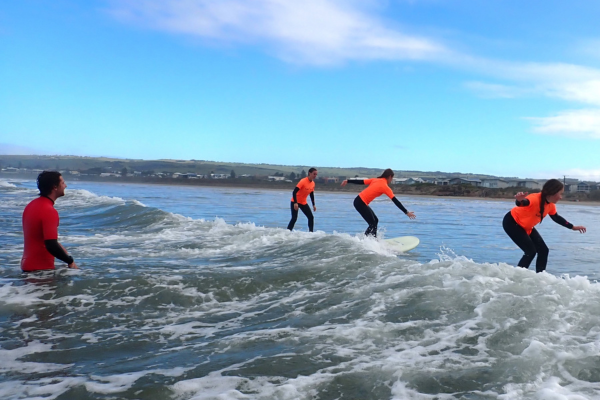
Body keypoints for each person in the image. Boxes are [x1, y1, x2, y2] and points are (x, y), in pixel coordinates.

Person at [502, 178, 586, 273]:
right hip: (512, 223)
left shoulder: (550, 205)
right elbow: (524, 202)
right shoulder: (534, 198)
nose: (561, 197)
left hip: (526, 226)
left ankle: (541, 276)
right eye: (560, 193)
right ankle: (517, 276)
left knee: (543, 250)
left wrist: (573, 227)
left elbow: (556, 218)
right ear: (553, 192)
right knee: (530, 251)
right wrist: (520, 200)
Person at [21, 171, 78, 272]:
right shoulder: (49, 211)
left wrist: (65, 254)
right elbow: (51, 245)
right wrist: (69, 261)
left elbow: (42, 238)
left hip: (28, 266)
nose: (65, 186)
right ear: (54, 187)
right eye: (63, 183)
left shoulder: (31, 205)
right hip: (41, 269)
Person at [341, 169, 416, 237]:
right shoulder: (385, 187)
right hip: (360, 203)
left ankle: (373, 240)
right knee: (372, 223)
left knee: (375, 221)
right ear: (390, 176)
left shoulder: (375, 180)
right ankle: (365, 241)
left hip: (358, 201)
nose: (391, 180)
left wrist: (348, 181)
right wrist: (406, 212)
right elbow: (396, 201)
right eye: (392, 178)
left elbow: (361, 181)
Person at [287, 168, 318, 232]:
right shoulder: (303, 181)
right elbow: (294, 192)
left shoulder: (313, 183)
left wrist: (313, 205)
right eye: (314, 174)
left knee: (311, 217)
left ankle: (311, 233)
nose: (315, 175)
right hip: (295, 201)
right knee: (294, 218)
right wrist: (295, 203)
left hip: (303, 202)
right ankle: (287, 232)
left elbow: (311, 194)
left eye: (316, 174)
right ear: (310, 173)